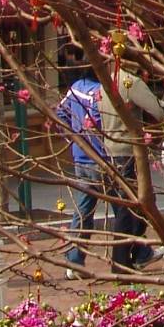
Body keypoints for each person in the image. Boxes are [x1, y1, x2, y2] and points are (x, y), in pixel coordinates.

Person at [98, 66, 164, 272]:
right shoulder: (131, 82)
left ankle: (136, 253)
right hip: (128, 151)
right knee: (132, 209)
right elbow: (158, 111)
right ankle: (122, 261)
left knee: (124, 208)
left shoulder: (106, 80)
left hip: (110, 149)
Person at [55, 64, 106, 272]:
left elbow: (60, 112)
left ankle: (75, 260)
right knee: (125, 208)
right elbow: (100, 121)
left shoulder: (76, 87)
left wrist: (73, 138)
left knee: (83, 210)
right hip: (101, 158)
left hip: (80, 157)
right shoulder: (99, 93)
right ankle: (133, 254)